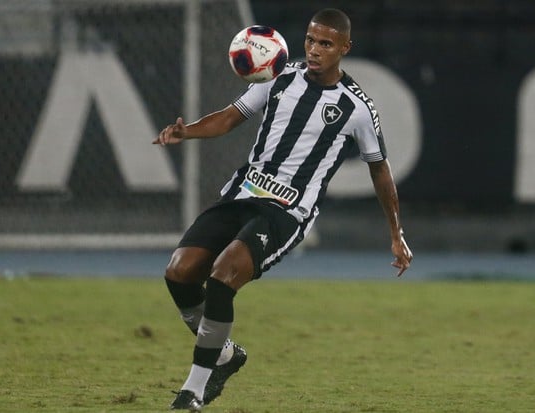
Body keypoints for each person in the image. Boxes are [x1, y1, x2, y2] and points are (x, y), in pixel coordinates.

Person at [153, 8, 413, 411]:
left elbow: (380, 169)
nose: (314, 50)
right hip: (241, 194)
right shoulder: (277, 76)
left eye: (325, 43)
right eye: (310, 40)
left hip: (286, 212)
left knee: (223, 277)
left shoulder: (356, 107)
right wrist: (187, 131)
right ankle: (223, 354)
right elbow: (228, 118)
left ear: (345, 48)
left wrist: (396, 234)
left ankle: (193, 391)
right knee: (179, 271)